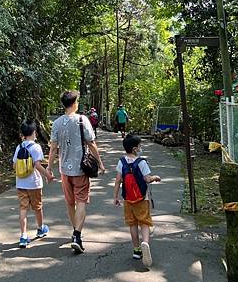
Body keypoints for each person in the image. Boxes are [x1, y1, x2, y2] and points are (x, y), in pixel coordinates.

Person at [48, 90, 105, 254]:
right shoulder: (82, 120)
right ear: (74, 103)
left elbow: (53, 148)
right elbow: (91, 143)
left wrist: (49, 168)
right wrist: (100, 163)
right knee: (81, 202)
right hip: (81, 170)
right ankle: (77, 235)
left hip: (64, 171)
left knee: (70, 203)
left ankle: (75, 232)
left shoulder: (57, 123)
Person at [113, 134, 161, 266]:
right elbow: (147, 179)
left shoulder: (121, 162)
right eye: (140, 146)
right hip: (142, 198)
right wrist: (155, 177)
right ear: (135, 148)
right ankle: (145, 242)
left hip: (128, 199)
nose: (141, 148)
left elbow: (118, 181)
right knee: (144, 222)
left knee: (132, 224)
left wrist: (115, 197)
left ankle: (136, 249)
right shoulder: (141, 162)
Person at [13, 120, 54, 248]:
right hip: (34, 184)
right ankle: (41, 228)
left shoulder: (19, 147)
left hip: (21, 183)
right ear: (34, 132)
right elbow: (37, 165)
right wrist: (48, 175)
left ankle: (23, 236)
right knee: (37, 207)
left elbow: (14, 165)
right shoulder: (36, 147)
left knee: (23, 208)